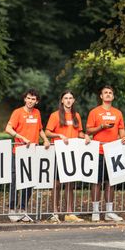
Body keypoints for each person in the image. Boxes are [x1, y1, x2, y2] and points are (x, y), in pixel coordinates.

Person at [5, 88, 50, 222]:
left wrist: (46, 140)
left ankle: (23, 210)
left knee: (29, 181)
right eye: (28, 98)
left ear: (36, 102)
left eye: (33, 99)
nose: (30, 101)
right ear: (25, 99)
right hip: (18, 151)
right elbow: (8, 129)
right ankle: (12, 210)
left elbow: (40, 129)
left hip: (33, 152)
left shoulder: (37, 113)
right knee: (15, 180)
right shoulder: (17, 112)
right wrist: (21, 138)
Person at [45, 90, 89, 222]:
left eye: (70, 98)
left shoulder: (77, 116)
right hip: (58, 152)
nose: (68, 100)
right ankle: (55, 213)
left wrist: (86, 136)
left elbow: (79, 133)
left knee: (70, 184)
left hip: (73, 153)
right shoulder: (55, 115)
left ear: (73, 100)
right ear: (62, 100)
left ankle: (69, 213)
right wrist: (59, 135)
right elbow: (47, 132)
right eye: (66, 98)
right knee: (57, 184)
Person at [86, 85, 125, 222]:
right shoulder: (94, 112)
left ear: (113, 96)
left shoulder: (118, 113)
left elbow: (121, 129)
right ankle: (95, 211)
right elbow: (89, 131)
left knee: (111, 182)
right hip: (98, 151)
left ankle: (109, 212)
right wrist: (101, 127)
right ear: (101, 96)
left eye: (110, 93)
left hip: (113, 151)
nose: (108, 94)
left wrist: (123, 137)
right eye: (105, 93)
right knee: (96, 181)